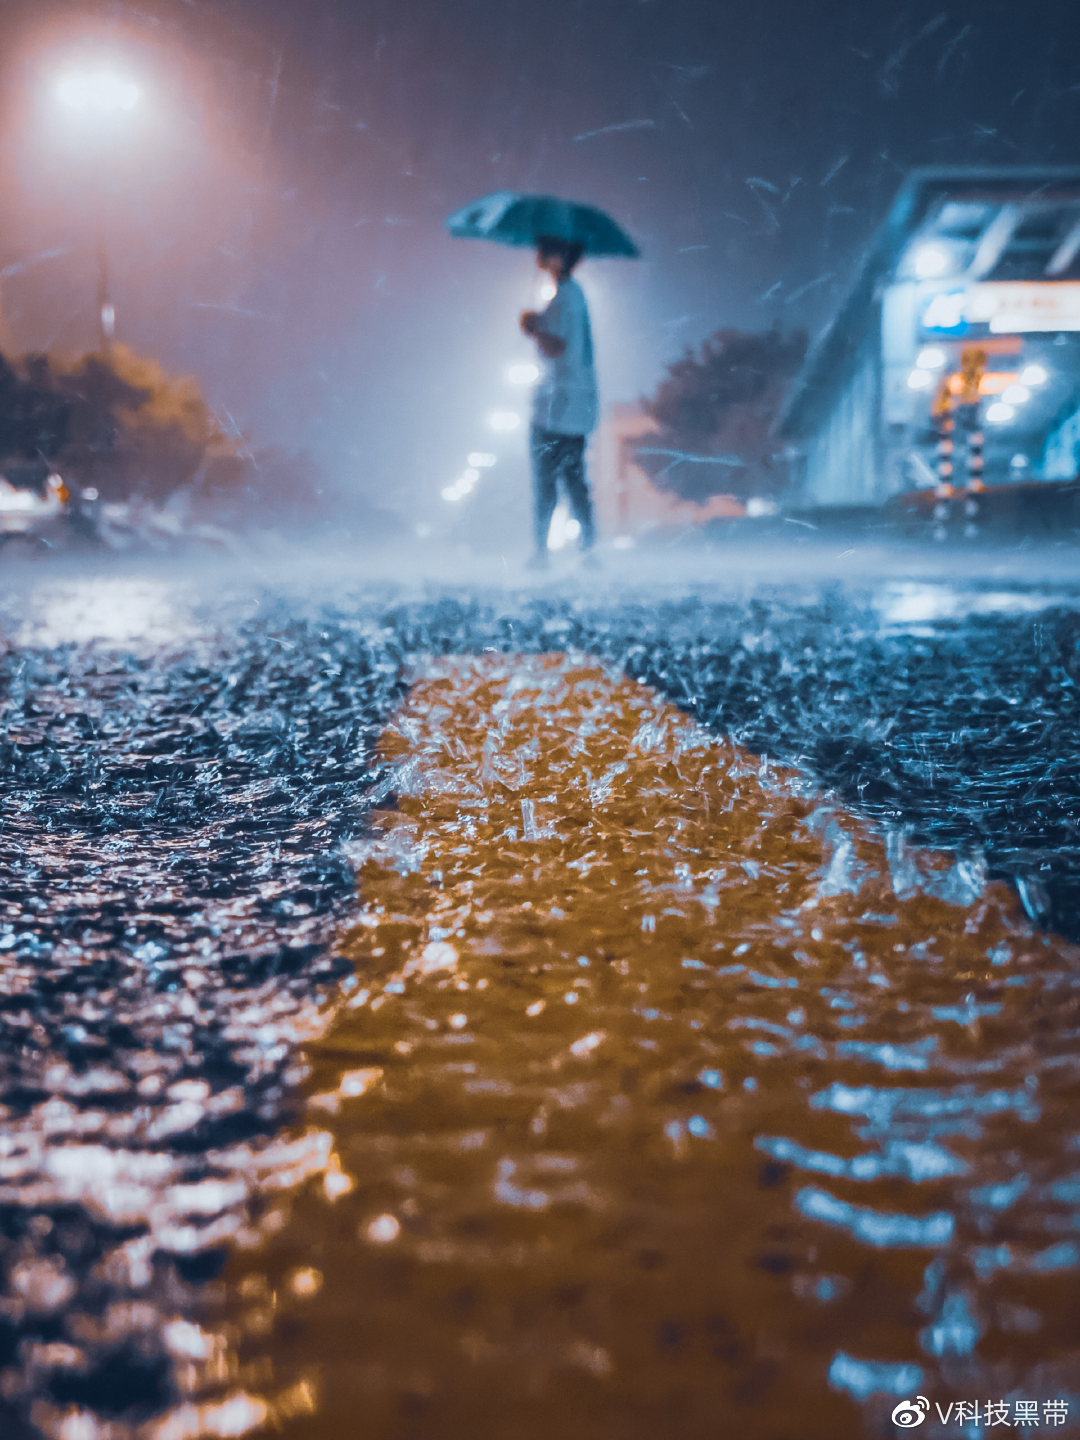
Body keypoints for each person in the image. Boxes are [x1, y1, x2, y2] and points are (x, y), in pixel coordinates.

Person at [519, 235, 598, 568]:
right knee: (572, 480)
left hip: (559, 406)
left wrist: (533, 328)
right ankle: (585, 551)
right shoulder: (569, 295)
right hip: (569, 404)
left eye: (545, 248)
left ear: (559, 255)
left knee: (550, 481)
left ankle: (545, 552)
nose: (538, 253)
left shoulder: (567, 297)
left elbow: (557, 347)